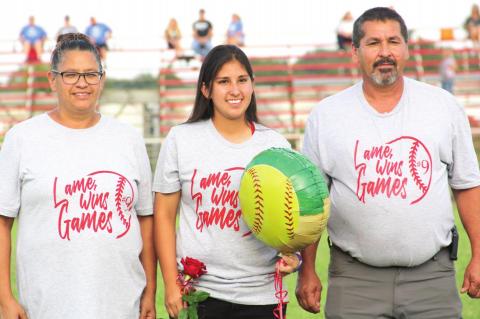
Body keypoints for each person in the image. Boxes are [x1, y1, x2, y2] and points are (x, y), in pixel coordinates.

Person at [296, 7, 480, 318]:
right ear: (355, 52)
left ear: (407, 48)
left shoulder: (442, 107)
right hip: (355, 280)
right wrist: (307, 269)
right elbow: (313, 200)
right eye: (373, 43)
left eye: (394, 41)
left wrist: (478, 255)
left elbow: (466, 185)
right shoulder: (326, 116)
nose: (385, 52)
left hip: (431, 277)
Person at [0, 33, 156, 319]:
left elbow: (146, 218)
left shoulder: (128, 138)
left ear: (102, 79)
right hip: (46, 307)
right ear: (52, 80)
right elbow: (2, 223)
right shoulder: (22, 138)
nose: (82, 83)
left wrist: (150, 292)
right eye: (70, 74)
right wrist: (4, 298)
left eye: (90, 74)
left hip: (122, 306)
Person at [153, 44, 300, 319]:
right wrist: (171, 284)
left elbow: (293, 215)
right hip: (200, 293)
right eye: (224, 82)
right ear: (206, 89)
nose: (235, 90)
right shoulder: (181, 139)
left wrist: (295, 257)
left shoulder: (275, 144)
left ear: (252, 85)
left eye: (242, 80)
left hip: (262, 294)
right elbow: (163, 215)